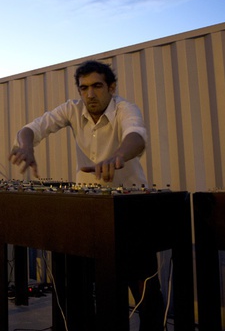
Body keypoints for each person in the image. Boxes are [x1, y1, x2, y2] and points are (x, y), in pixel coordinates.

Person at [9, 60, 164, 331]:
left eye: (97, 86)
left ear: (111, 87)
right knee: (78, 283)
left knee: (144, 286)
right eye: (84, 88)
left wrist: (118, 156)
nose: (90, 94)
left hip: (130, 206)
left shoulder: (125, 108)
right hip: (88, 207)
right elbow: (30, 129)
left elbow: (136, 136)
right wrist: (27, 146)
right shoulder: (72, 109)